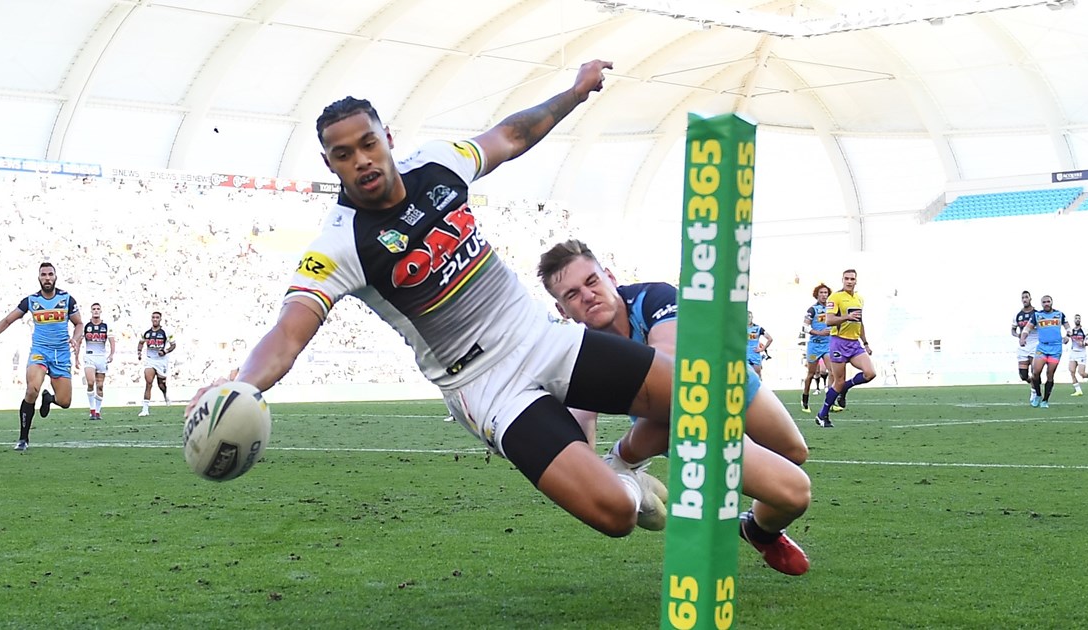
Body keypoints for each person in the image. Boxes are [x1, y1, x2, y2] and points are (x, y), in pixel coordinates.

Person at [186, 62, 811, 575]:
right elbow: (290, 332)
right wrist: (244, 383)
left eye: (369, 143)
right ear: (332, 166)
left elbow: (511, 136)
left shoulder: (439, 165)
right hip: (487, 388)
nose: (363, 160)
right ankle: (632, 487)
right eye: (344, 154)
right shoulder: (339, 246)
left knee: (697, 395)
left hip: (544, 338)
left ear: (388, 139)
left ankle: (730, 499)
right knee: (616, 518)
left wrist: (575, 90)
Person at [536, 239, 811, 575]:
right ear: (563, 311)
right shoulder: (580, 349)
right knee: (795, 493)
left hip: (727, 379)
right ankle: (624, 460)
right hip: (684, 415)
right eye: (572, 295)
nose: (587, 295)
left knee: (794, 453)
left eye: (591, 282)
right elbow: (582, 424)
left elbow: (670, 366)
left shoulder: (652, 298)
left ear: (609, 276)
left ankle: (756, 529)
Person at [0, 262, 83, 452]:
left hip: (61, 355)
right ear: (39, 277)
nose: (47, 278)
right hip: (40, 352)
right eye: (44, 275)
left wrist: (75, 338)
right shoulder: (31, 301)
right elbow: (8, 320)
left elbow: (79, 324)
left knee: (65, 402)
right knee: (32, 389)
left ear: (55, 277)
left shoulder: (67, 299)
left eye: (50, 274)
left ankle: (49, 398)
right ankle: (23, 438)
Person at [817, 269, 873, 428]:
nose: (849, 281)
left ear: (856, 281)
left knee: (870, 373)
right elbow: (829, 320)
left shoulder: (859, 299)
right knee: (838, 381)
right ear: (842, 280)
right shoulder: (835, 297)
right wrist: (846, 317)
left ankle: (845, 388)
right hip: (839, 342)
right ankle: (822, 415)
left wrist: (866, 343)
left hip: (855, 343)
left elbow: (860, 323)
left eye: (852, 279)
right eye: (846, 278)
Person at [1028, 295, 1068, 408]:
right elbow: (1028, 328)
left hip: (1055, 349)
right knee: (1035, 373)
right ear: (1041, 304)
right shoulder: (1037, 315)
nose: (1046, 304)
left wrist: (1067, 336)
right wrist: (1023, 337)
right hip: (1042, 348)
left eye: (1048, 301)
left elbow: (1068, 328)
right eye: (1044, 302)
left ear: (1052, 302)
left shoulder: (1060, 315)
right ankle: (1038, 395)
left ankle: (1045, 400)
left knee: (1050, 374)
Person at [800, 284, 832, 413]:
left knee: (832, 372)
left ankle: (830, 400)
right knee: (811, 374)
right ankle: (805, 399)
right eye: (821, 292)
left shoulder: (832, 309)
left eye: (826, 292)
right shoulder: (812, 309)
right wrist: (819, 333)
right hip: (814, 345)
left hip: (828, 345)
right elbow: (805, 327)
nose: (824, 295)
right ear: (817, 295)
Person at [138, 311, 175, 417]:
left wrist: (165, 351)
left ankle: (165, 394)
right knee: (148, 382)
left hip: (162, 360)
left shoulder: (166, 331)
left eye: (157, 317)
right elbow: (141, 342)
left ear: (160, 319)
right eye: (153, 317)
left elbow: (173, 345)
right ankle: (145, 409)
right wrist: (139, 353)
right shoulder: (146, 332)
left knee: (161, 384)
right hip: (150, 359)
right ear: (151, 319)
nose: (155, 319)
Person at [82, 303, 113, 420]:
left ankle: (98, 412)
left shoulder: (106, 326)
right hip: (89, 356)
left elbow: (111, 340)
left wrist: (112, 354)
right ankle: (92, 410)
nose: (96, 311)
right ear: (91, 311)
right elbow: (80, 340)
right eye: (94, 309)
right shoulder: (86, 326)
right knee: (90, 382)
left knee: (100, 386)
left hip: (101, 357)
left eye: (98, 309)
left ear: (101, 311)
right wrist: (76, 358)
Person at [1013, 290, 1039, 405]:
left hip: (1035, 344)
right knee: (1023, 375)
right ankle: (1032, 384)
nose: (1024, 299)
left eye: (1026, 297)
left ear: (1030, 298)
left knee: (1035, 371)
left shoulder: (1037, 314)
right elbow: (1013, 330)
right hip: (1023, 346)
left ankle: (1034, 391)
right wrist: (1018, 335)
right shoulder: (1018, 315)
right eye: (1023, 297)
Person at [1068, 313, 1088, 396]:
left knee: (1081, 373)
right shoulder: (1071, 331)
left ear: (1080, 320)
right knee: (1072, 371)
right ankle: (1078, 390)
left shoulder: (1085, 330)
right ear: (1074, 320)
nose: (1077, 320)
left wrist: (1084, 343)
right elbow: (1066, 338)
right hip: (1073, 353)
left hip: (1081, 354)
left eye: (1078, 318)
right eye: (1076, 318)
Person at [747, 311, 772, 376]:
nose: (748, 319)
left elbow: (770, 339)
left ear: (752, 317)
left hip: (755, 355)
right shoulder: (740, 328)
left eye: (749, 317)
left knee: (757, 376)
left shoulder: (758, 328)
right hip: (744, 355)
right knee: (744, 377)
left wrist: (762, 349)